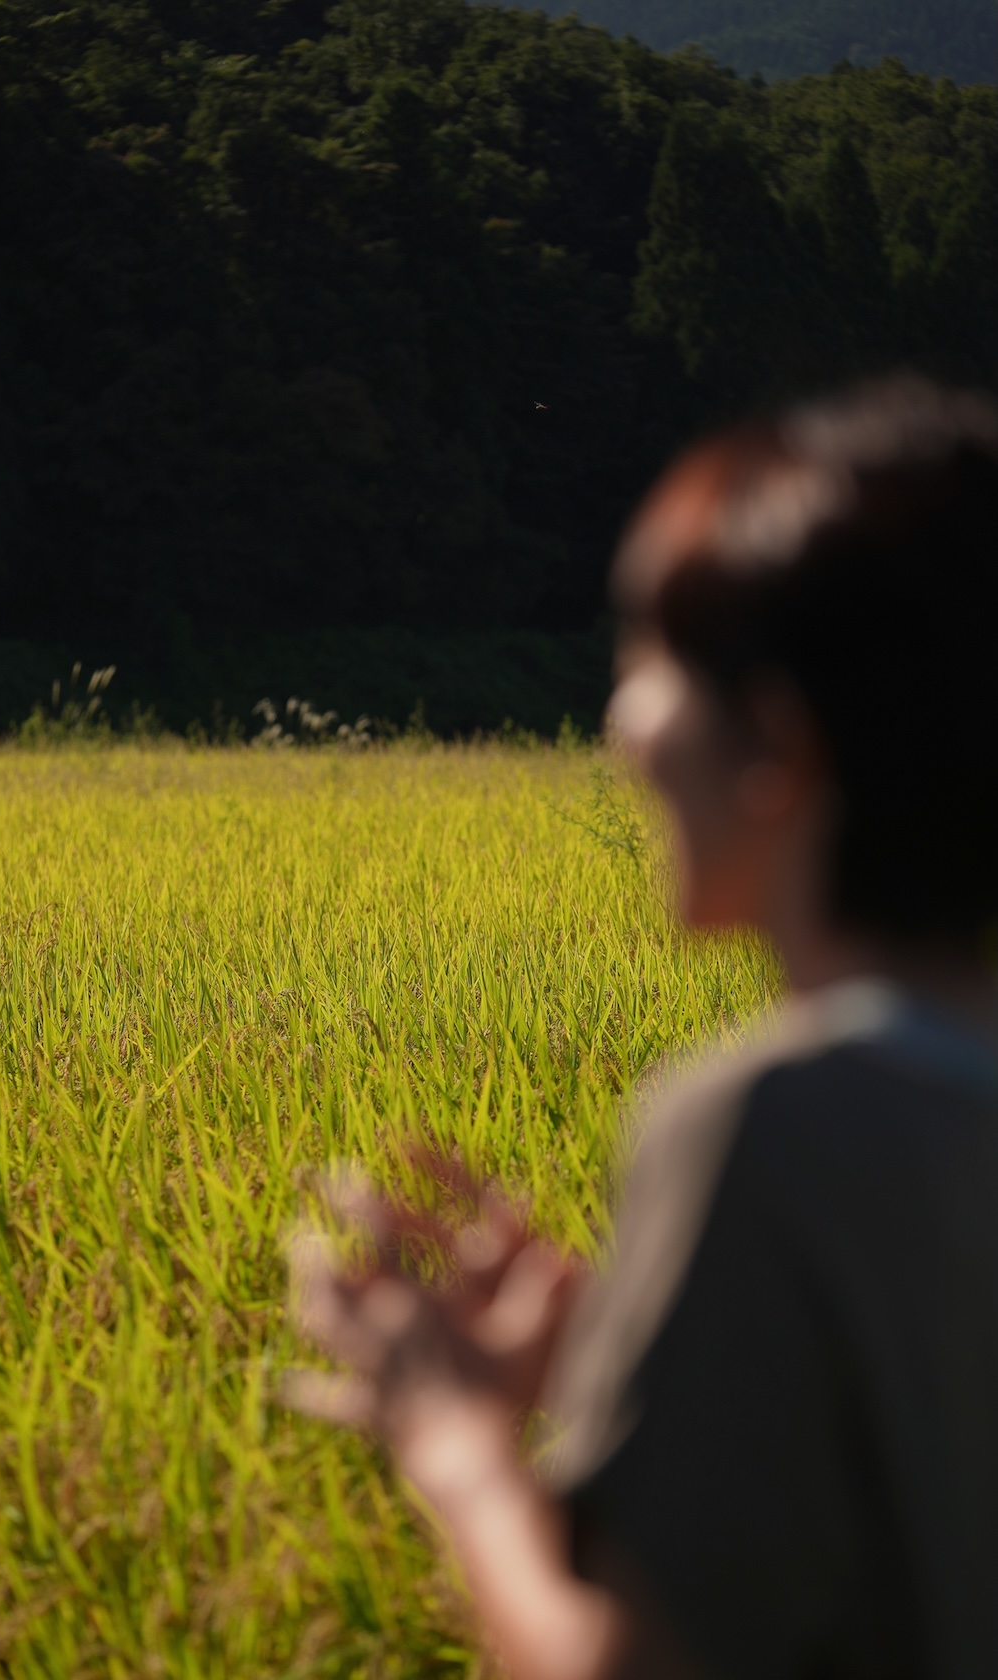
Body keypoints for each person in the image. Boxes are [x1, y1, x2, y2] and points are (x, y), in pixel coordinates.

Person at [289, 377, 998, 1680]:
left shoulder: (773, 1122)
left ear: (776, 748)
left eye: (646, 662)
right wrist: (613, 1369)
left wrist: (450, 1446)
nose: (619, 724)